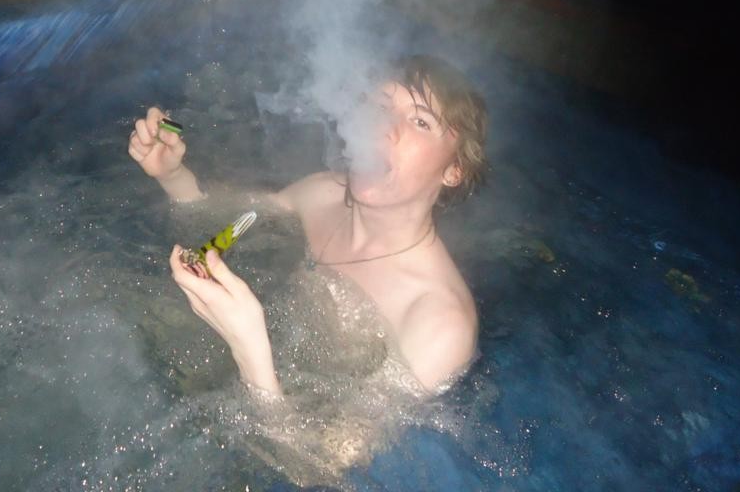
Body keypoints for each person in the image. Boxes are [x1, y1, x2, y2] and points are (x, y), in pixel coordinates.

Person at [127, 54, 487, 397]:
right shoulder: (325, 192)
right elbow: (233, 219)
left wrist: (249, 347)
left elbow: (326, 460)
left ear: (454, 170)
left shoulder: (439, 324)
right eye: (381, 107)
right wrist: (173, 175)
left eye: (421, 121)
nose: (386, 128)